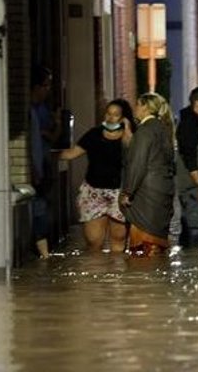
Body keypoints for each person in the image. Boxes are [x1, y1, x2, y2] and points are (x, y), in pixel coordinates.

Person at [60, 99, 134, 253]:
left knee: (118, 239)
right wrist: (45, 154)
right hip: (94, 191)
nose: (110, 118)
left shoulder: (128, 138)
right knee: (93, 241)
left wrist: (128, 132)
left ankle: (118, 275)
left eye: (115, 115)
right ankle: (96, 273)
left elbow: (136, 158)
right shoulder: (94, 134)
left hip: (118, 193)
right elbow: (72, 153)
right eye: (108, 113)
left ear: (122, 118)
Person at [119, 93, 176, 257]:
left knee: (143, 250)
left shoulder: (145, 131)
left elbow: (138, 164)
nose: (135, 109)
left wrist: (127, 192)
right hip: (163, 191)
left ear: (145, 107)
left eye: (137, 105)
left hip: (146, 195)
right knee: (157, 247)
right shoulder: (164, 129)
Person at [175, 87, 198, 248]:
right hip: (192, 188)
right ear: (197, 103)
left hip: (190, 188)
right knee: (194, 231)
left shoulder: (192, 121)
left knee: (189, 229)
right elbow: (190, 159)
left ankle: (188, 261)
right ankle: (192, 260)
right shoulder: (189, 126)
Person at [29, 66, 61, 259]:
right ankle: (43, 253)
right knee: (39, 209)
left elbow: (53, 136)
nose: (48, 89)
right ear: (36, 86)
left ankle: (44, 253)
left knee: (43, 208)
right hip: (36, 166)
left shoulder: (42, 110)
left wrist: (56, 124)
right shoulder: (30, 110)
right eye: (45, 85)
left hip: (44, 165)